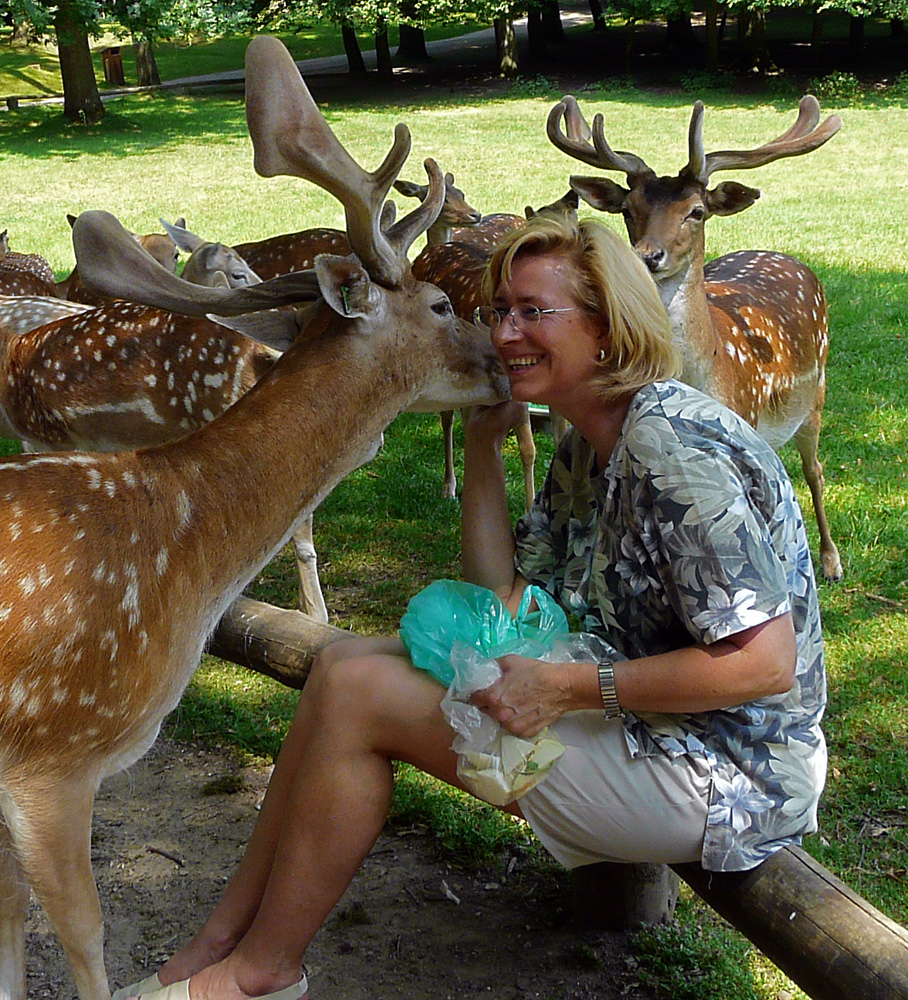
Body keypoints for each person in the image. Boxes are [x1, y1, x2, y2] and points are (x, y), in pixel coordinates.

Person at [117, 215, 827, 1000]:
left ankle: (259, 973)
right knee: (341, 664)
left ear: (607, 328)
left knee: (359, 697)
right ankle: (223, 938)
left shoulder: (672, 452)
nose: (503, 332)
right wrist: (487, 448)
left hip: (727, 777)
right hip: (643, 725)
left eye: (532, 311)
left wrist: (566, 689)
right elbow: (503, 599)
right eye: (499, 312)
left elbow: (765, 664)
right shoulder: (593, 440)